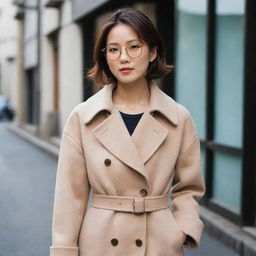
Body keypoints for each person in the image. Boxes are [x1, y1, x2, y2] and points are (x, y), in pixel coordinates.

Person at [50, 7, 205, 256]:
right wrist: (64, 250)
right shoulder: (83, 117)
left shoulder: (177, 117)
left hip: (159, 243)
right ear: (105, 57)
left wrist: (183, 229)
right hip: (100, 243)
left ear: (153, 52)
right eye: (113, 49)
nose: (123, 57)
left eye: (134, 47)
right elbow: (70, 197)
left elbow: (189, 187)